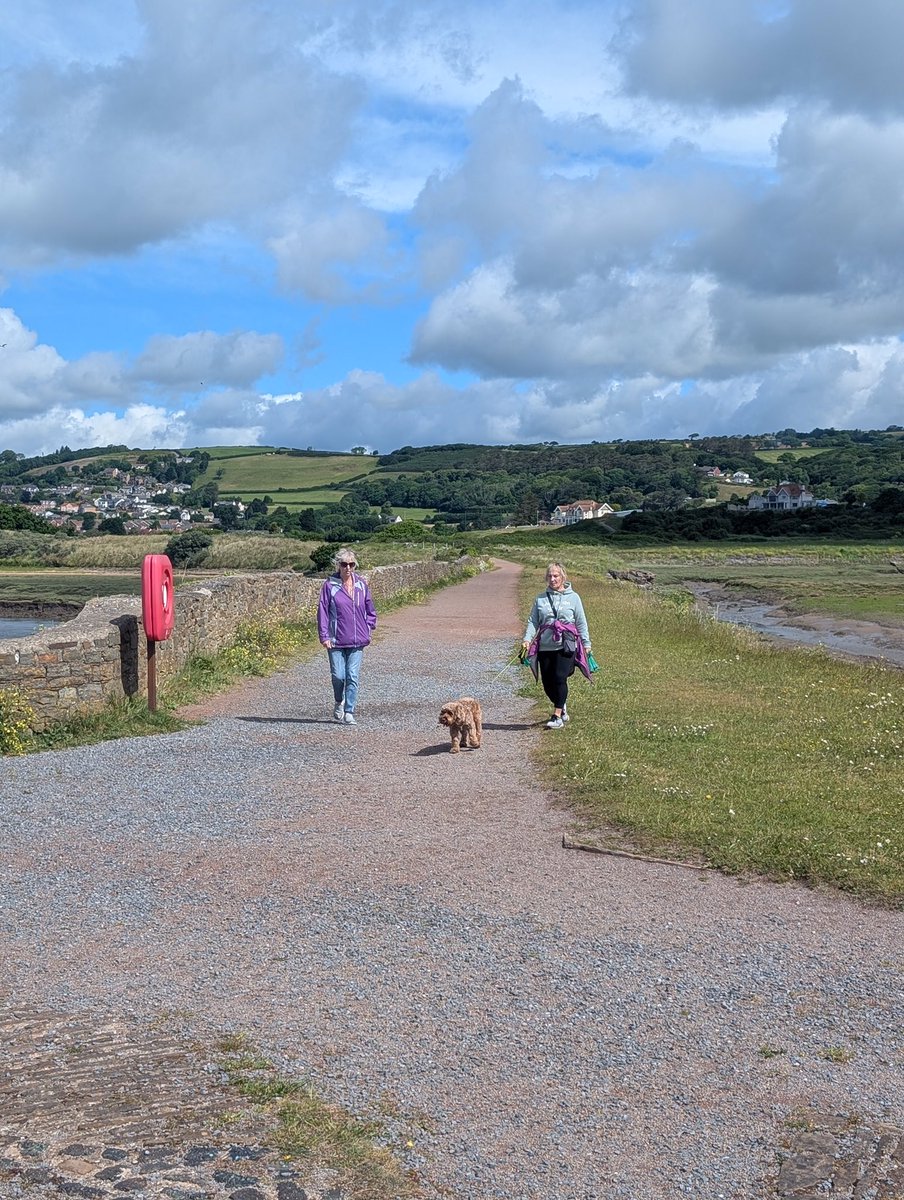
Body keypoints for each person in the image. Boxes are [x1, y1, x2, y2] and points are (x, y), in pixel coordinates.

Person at [522, 562, 592, 729]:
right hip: (545, 646)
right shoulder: (540, 598)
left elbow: (581, 622)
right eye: (550, 576)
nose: (552, 579)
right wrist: (527, 639)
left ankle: (557, 716)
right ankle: (562, 705)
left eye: (556, 576)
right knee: (548, 683)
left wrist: (586, 643)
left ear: (563, 577)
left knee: (560, 677)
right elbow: (533, 620)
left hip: (566, 645)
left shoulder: (574, 598)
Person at [317, 548, 377, 725]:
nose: (348, 568)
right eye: (344, 564)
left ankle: (349, 711)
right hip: (335, 639)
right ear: (338, 565)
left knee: (352, 675)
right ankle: (339, 701)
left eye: (351, 564)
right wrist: (324, 635)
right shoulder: (330, 585)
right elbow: (323, 611)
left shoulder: (361, 585)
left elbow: (370, 609)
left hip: (358, 639)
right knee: (338, 676)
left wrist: (369, 626)